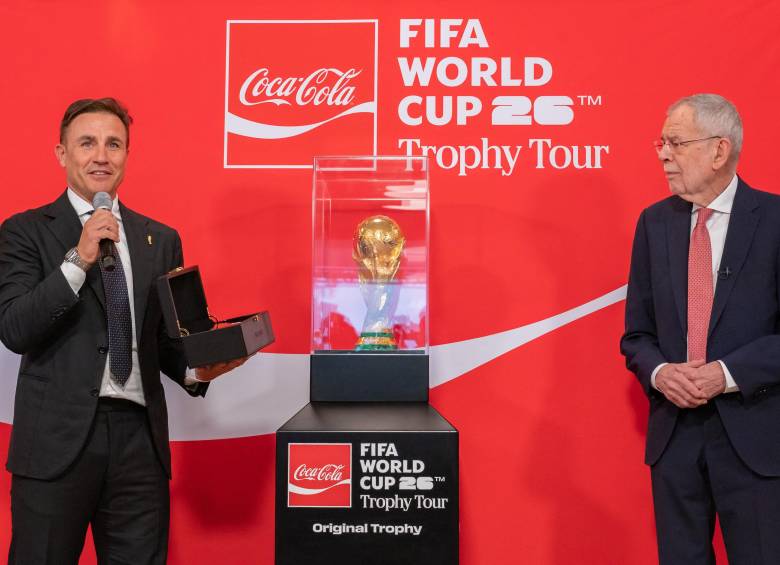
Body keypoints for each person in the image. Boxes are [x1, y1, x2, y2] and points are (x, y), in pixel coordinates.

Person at [0, 98, 246, 564]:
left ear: (127, 155)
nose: (101, 156)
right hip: (55, 442)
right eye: (87, 143)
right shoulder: (24, 231)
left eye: (114, 144)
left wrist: (199, 370)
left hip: (139, 441)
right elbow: (15, 327)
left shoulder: (160, 238)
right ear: (61, 154)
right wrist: (79, 258)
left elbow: (161, 341)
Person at [621, 93, 780, 564]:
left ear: (719, 150)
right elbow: (636, 336)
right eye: (661, 143)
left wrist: (726, 374)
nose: (663, 154)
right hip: (675, 441)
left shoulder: (774, 221)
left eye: (675, 142)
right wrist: (660, 373)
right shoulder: (654, 224)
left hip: (756, 440)